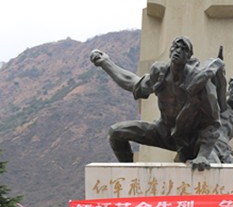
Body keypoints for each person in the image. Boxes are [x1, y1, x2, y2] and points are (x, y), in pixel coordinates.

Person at [90, 36, 225, 170]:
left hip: (191, 140)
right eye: (176, 47)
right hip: (163, 131)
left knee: (211, 169)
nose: (178, 51)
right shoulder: (160, 74)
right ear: (170, 51)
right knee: (116, 132)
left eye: (183, 49)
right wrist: (106, 62)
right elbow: (132, 82)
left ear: (188, 56)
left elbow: (212, 123)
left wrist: (202, 156)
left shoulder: (199, 83)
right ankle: (127, 173)